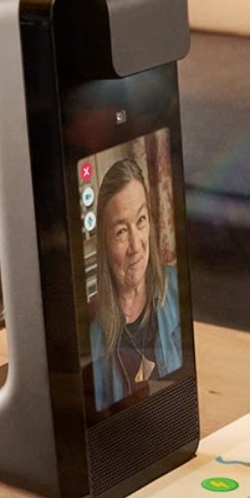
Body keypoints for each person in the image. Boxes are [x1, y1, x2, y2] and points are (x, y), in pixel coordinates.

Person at [90, 157, 182, 412]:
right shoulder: (95, 337)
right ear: (105, 245)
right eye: (121, 231)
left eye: (141, 220)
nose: (136, 245)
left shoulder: (176, 288)